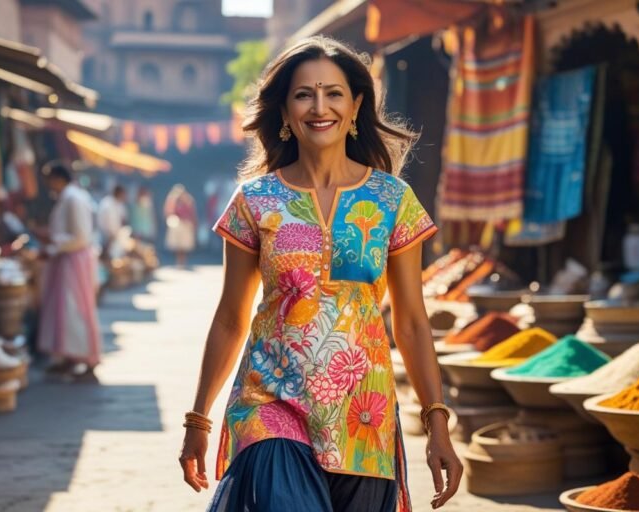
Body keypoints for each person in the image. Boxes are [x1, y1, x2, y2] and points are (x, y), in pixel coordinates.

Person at [179, 36, 462, 511]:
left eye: (333, 93)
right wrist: (198, 421)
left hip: (362, 413)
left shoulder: (393, 202)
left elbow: (411, 322)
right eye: (303, 94)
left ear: (355, 107)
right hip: (271, 402)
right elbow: (231, 317)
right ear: (285, 113)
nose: (319, 106)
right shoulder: (255, 201)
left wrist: (437, 424)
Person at [37, 162, 102, 381]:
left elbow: (81, 237)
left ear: (57, 178)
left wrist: (54, 245)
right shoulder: (70, 197)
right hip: (67, 260)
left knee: (74, 310)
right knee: (64, 310)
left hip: (73, 262)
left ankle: (84, 357)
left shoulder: (73, 198)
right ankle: (66, 356)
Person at [163, 184, 197, 268]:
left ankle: (182, 261)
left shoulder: (188, 201)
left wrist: (193, 223)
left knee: (184, 245)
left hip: (186, 225)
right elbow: (168, 212)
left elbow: (192, 213)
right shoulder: (173, 201)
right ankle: (179, 261)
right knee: (178, 245)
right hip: (178, 225)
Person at [97, 184, 128, 259]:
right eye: (123, 194)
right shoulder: (106, 204)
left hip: (115, 239)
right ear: (119, 193)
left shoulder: (119, 204)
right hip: (105, 239)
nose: (124, 197)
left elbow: (123, 219)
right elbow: (108, 226)